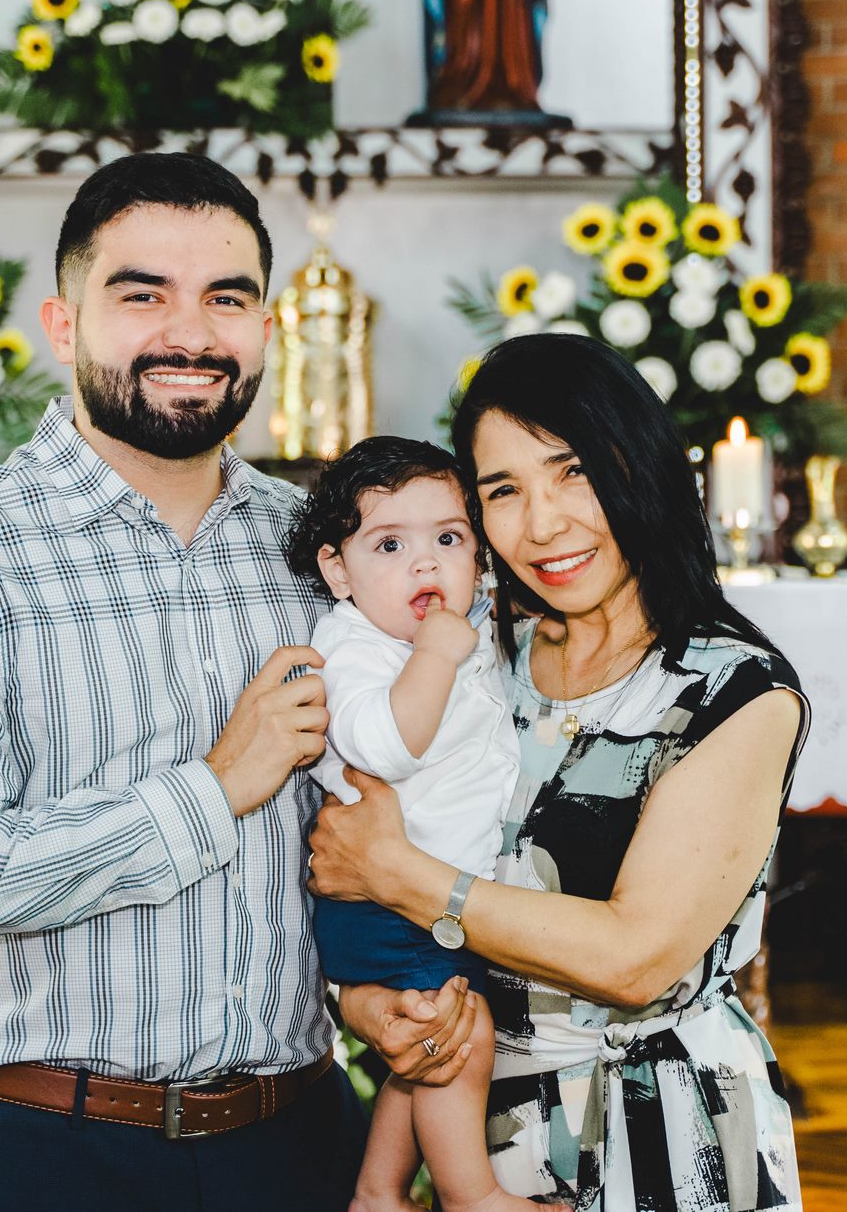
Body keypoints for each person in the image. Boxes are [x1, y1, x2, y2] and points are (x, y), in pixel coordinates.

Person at [0, 153, 470, 1212]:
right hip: (47, 1148)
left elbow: (363, 816)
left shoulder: (320, 550)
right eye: (142, 295)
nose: (190, 333)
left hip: (297, 1139)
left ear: (265, 329)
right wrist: (213, 789)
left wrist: (370, 990)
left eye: (225, 298)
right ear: (63, 325)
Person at [311, 333, 811, 1211]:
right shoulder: (470, 656)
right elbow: (345, 852)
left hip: (663, 1133)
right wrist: (367, 1007)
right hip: (479, 1133)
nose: (542, 525)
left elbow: (634, 957)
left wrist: (400, 874)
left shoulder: (731, 692)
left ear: (639, 464)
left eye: (572, 470)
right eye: (503, 490)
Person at [284, 436, 535, 1212]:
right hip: (387, 902)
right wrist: (435, 655)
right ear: (339, 571)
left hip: (429, 893)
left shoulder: (451, 623)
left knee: (427, 1043)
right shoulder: (355, 646)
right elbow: (388, 747)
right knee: (463, 1035)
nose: (425, 562)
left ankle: (378, 1190)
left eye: (449, 539)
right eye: (390, 545)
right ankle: (470, 1193)